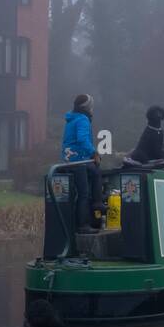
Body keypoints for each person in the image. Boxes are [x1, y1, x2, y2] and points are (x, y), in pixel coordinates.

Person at [62, 93, 101, 232]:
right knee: (83, 194)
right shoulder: (83, 119)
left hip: (69, 160)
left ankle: (97, 202)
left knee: (95, 172)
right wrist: (94, 153)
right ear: (88, 107)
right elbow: (82, 140)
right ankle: (83, 225)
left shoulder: (71, 118)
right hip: (78, 161)